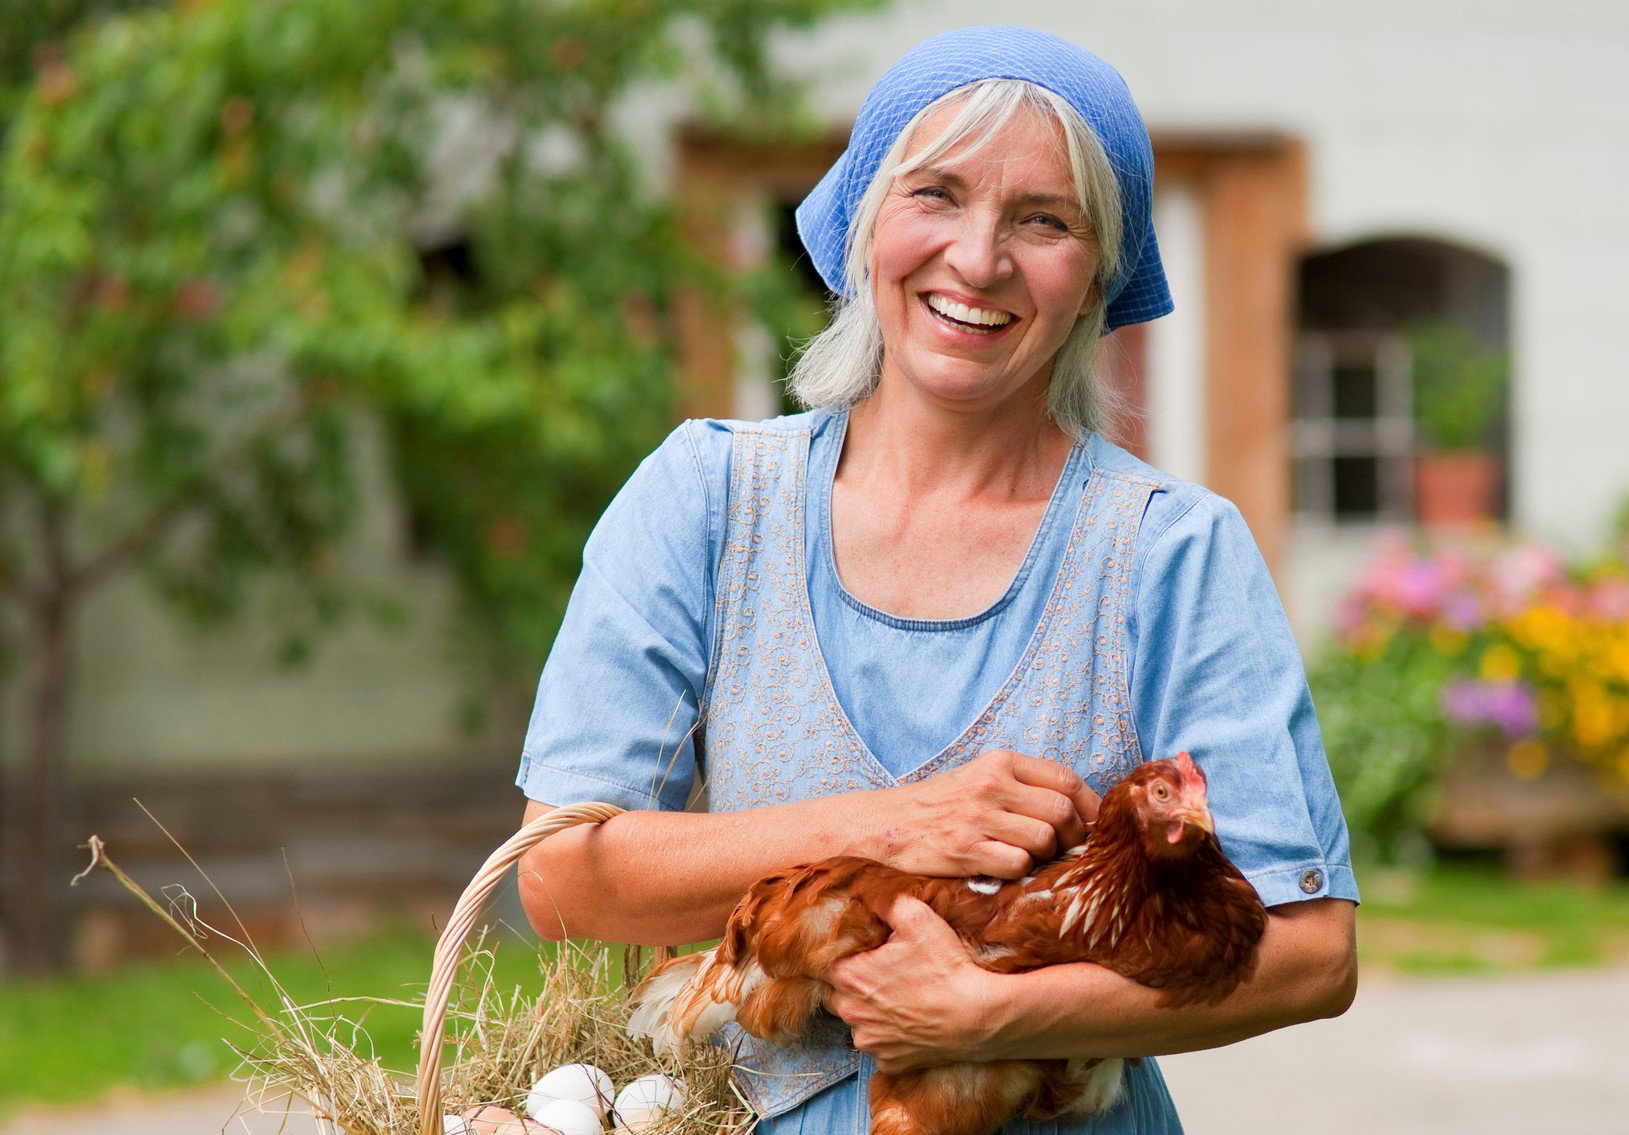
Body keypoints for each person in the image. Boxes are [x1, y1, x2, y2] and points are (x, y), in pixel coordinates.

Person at [514, 25, 1358, 1134]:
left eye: (1042, 219)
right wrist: (900, 826)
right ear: (865, 224)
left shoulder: (1166, 551)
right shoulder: (708, 501)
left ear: (1097, 275)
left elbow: (1311, 952)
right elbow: (563, 879)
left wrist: (992, 1016)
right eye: (937, 195)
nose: (977, 258)